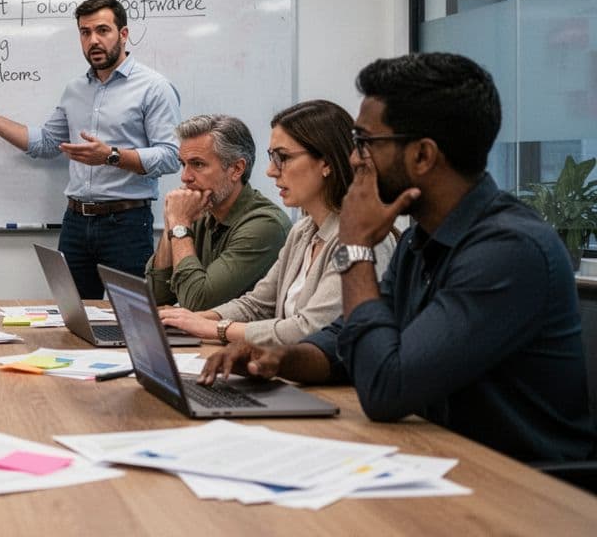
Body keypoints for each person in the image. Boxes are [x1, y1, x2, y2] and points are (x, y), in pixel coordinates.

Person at [202, 53, 596, 463]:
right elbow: (345, 339)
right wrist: (277, 358)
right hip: (440, 459)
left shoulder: (508, 251)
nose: (354, 160)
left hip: (524, 488)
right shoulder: (421, 239)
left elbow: (386, 387)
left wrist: (356, 247)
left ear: (423, 156)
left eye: (365, 143)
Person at [0, 0, 181, 298]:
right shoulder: (75, 90)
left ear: (124, 34)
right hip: (76, 224)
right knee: (74, 320)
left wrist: (111, 156)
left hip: (126, 224)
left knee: (131, 319)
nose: (93, 40)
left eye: (103, 30)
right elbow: (47, 143)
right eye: (85, 32)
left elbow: (171, 156)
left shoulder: (153, 88)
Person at [159, 100, 395, 346]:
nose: (271, 171)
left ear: (326, 163)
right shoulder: (304, 231)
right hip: (293, 370)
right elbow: (258, 304)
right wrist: (184, 320)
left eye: (283, 157)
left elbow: (309, 329)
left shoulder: (364, 239)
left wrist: (214, 327)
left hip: (333, 382)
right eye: (272, 157)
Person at [147, 114, 290, 310]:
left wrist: (179, 223)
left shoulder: (265, 225)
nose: (185, 177)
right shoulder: (198, 212)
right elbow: (155, 297)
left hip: (245, 339)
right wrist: (172, 221)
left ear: (236, 169)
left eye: (198, 164)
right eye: (183, 164)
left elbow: (199, 302)